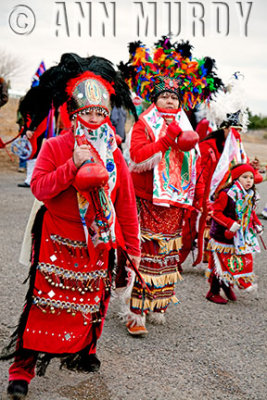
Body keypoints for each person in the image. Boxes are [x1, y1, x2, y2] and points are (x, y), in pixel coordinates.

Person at [1, 53, 140, 400]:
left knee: (94, 300)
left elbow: (125, 205)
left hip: (98, 241)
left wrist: (132, 251)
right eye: (87, 112)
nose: (94, 119)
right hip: (56, 239)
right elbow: (39, 188)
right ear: (74, 113)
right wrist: (70, 168)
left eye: (100, 113)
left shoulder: (115, 153)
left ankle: (84, 351)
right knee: (42, 302)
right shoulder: (56, 145)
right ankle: (22, 370)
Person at [123, 76, 202, 335]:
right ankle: (135, 312)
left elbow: (195, 166)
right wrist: (167, 138)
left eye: (174, 98)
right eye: (164, 96)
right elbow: (136, 157)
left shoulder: (185, 124)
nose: (169, 101)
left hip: (175, 202)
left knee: (167, 256)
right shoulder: (143, 124)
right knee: (145, 255)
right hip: (147, 200)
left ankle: (159, 303)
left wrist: (199, 197)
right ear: (154, 100)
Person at [206, 163, 263, 304]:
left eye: (251, 177)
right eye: (245, 177)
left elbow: (251, 212)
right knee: (220, 264)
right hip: (223, 235)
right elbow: (216, 213)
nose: (249, 180)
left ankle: (227, 286)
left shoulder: (249, 194)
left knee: (235, 262)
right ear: (236, 178)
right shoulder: (227, 194)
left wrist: (257, 224)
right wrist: (230, 224)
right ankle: (213, 292)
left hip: (240, 236)